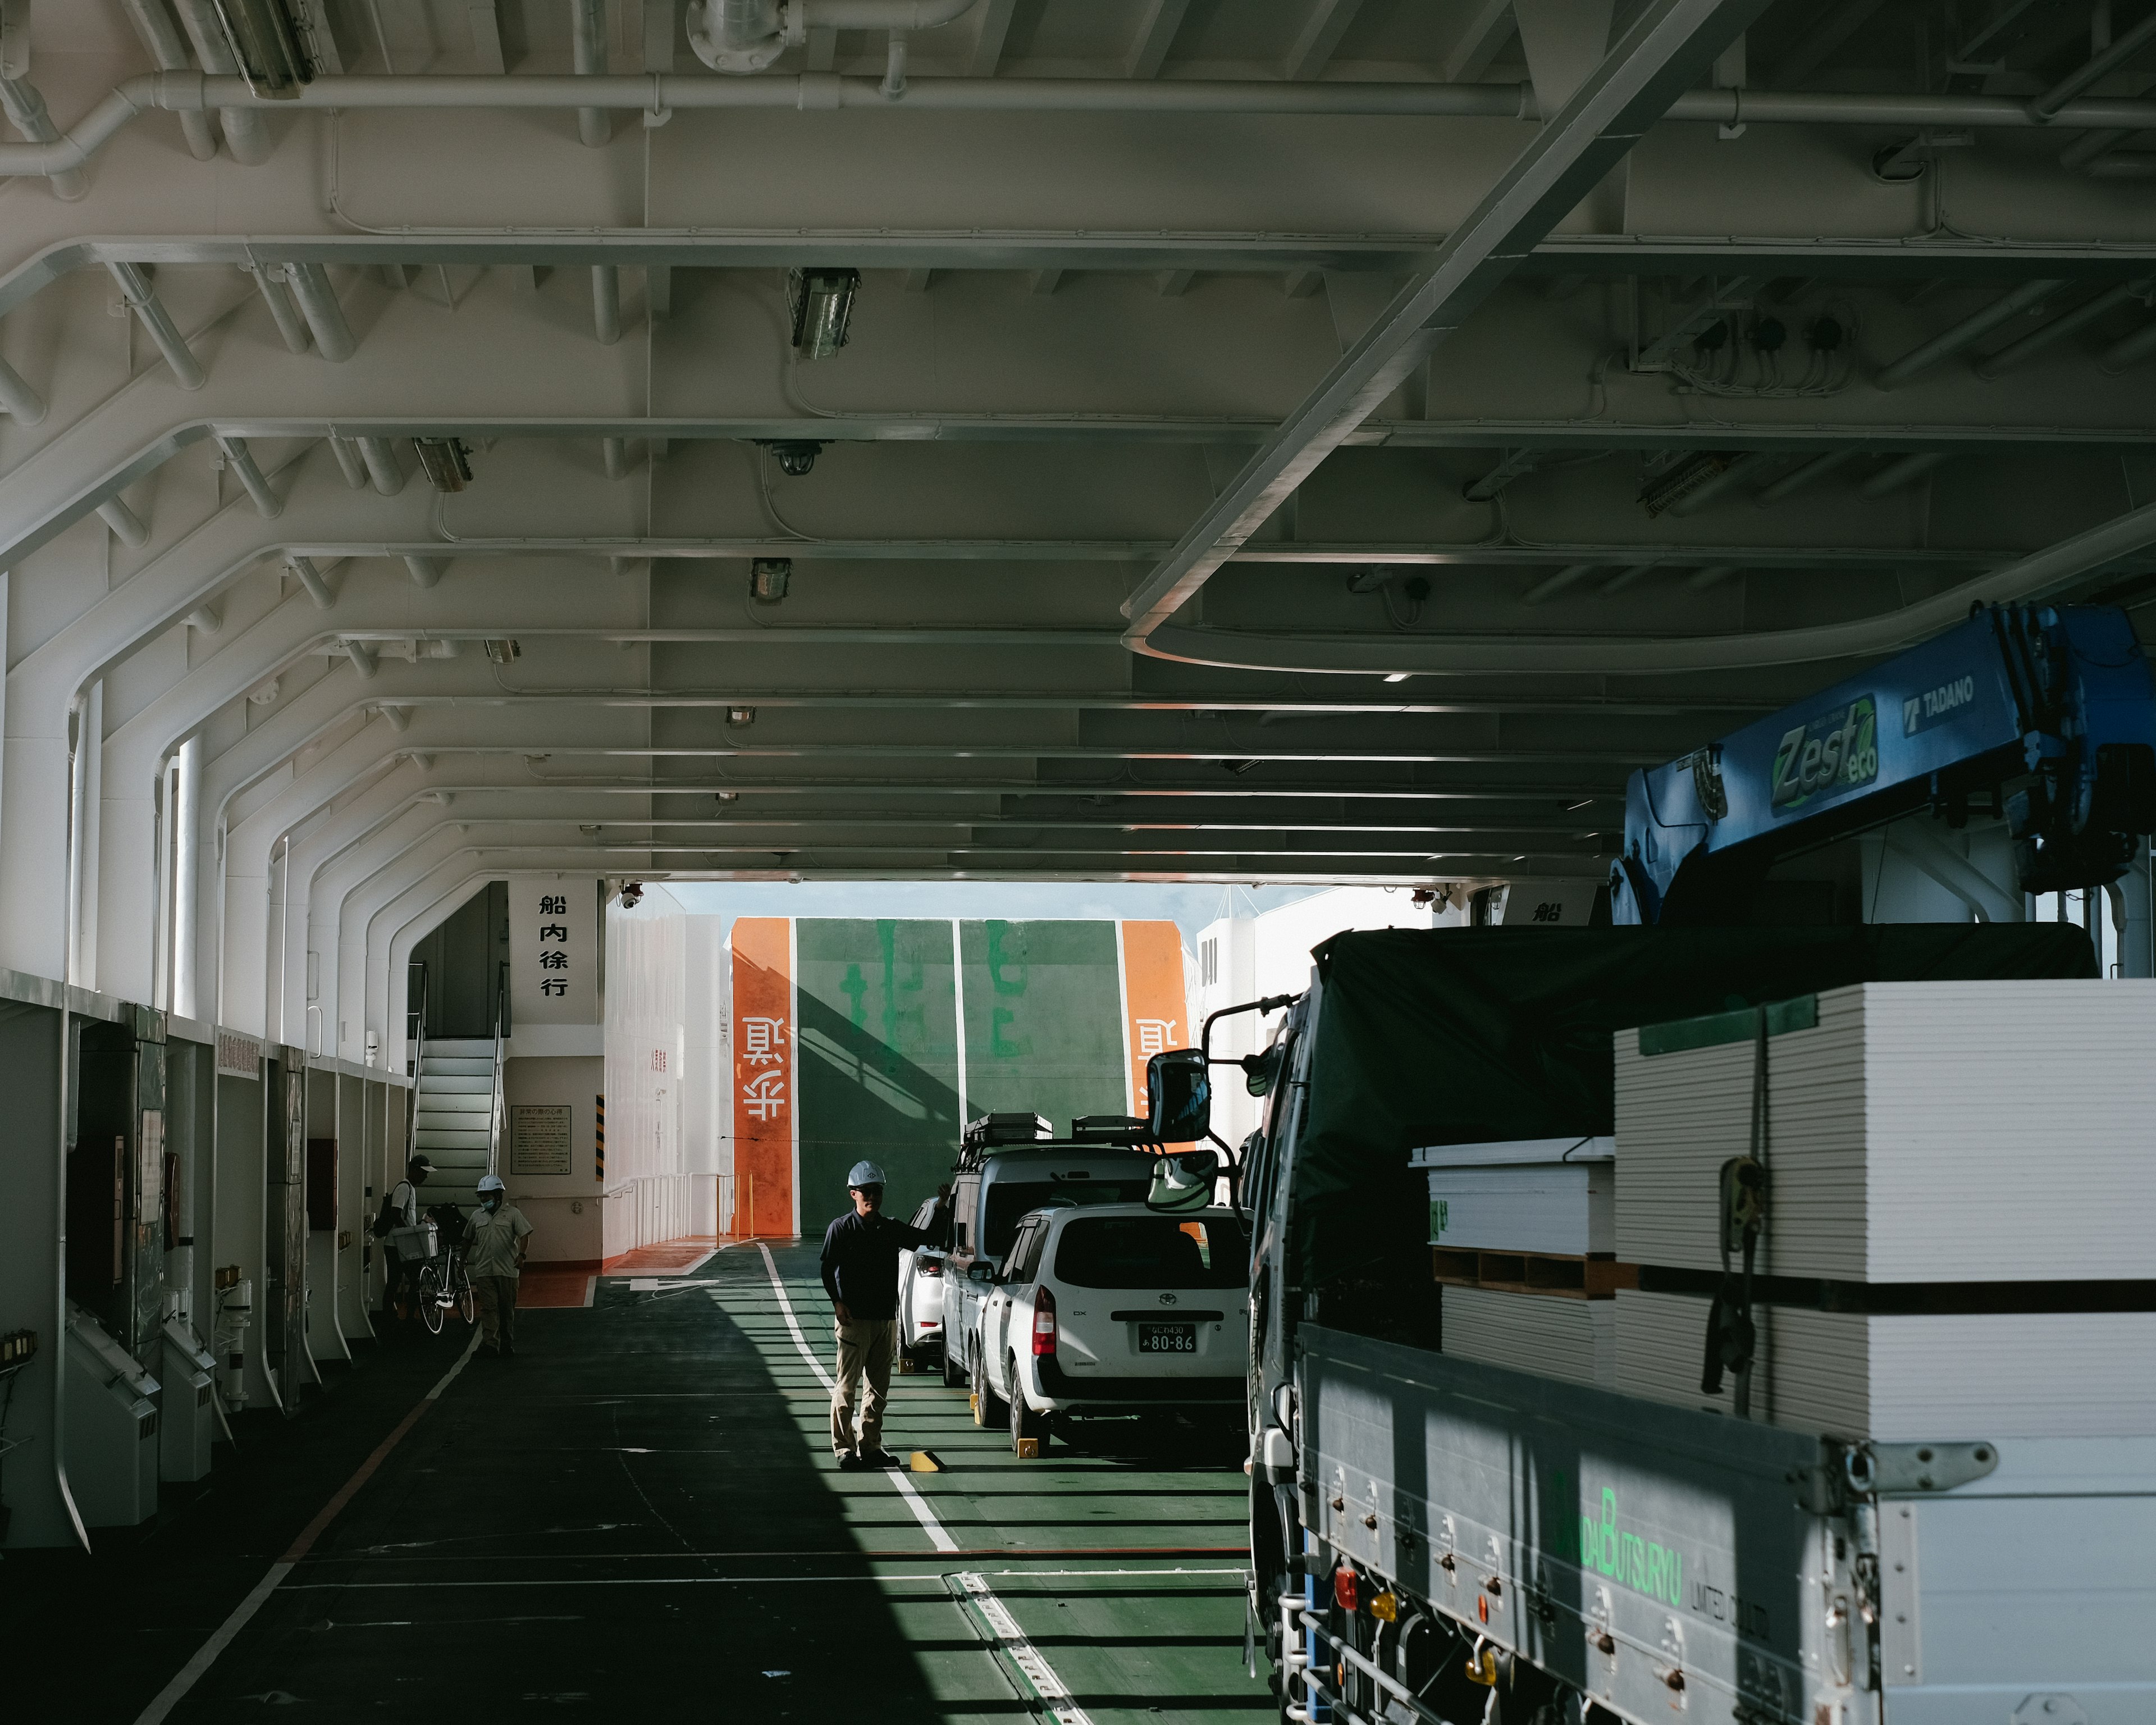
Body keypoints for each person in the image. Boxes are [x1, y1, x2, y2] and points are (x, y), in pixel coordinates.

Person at [820, 1160, 933, 1469]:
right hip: (854, 1321)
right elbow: (827, 1268)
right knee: (847, 1387)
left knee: (878, 1390)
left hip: (886, 1320)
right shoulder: (840, 1229)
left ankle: (870, 1446)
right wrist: (837, 1303)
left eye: (877, 1191)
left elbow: (925, 1237)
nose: (872, 1197)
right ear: (853, 1194)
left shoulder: (890, 1228)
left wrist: (946, 1206)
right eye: (866, 1191)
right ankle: (844, 1449)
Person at [463, 1174, 533, 1357]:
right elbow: (467, 1238)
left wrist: (522, 1255)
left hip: (507, 1271)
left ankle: (506, 1344)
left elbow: (525, 1235)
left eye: (486, 1195)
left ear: (497, 1195)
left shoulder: (513, 1214)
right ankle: (490, 1345)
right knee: (488, 1309)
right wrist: (462, 1259)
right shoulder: (476, 1216)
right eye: (481, 1196)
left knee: (506, 1309)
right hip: (485, 1270)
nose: (483, 1199)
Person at [378, 1154, 434, 1325]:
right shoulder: (404, 1188)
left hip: (398, 1243)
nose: (426, 1176)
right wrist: (408, 1233)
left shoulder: (410, 1189)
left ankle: (395, 1316)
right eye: (424, 1172)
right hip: (397, 1244)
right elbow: (396, 1213)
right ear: (415, 1170)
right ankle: (406, 1316)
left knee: (398, 1280)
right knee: (411, 1279)